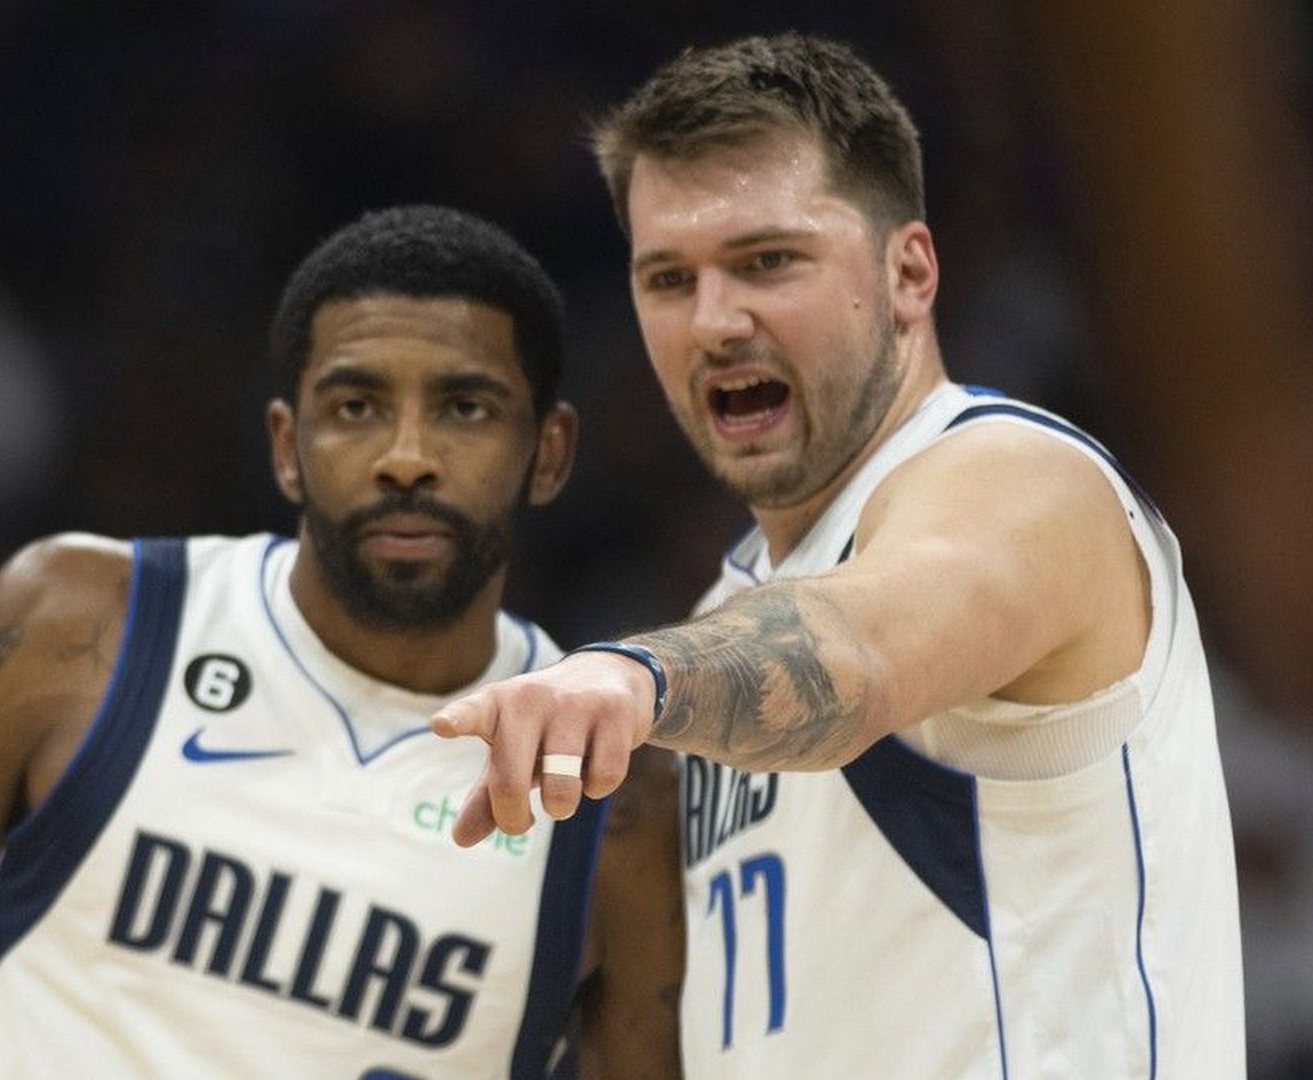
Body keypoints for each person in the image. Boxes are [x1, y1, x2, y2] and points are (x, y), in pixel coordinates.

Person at [432, 33, 1244, 1078]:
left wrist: (633, 679)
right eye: (668, 278)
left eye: (767, 261)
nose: (713, 321)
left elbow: (854, 653)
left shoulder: (1022, 480)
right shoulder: (724, 608)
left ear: (909, 273)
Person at [0, 205, 681, 1079]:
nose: (407, 458)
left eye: (464, 408)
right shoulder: (75, 623)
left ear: (549, 452)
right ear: (285, 446)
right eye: (356, 407)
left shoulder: (615, 798)